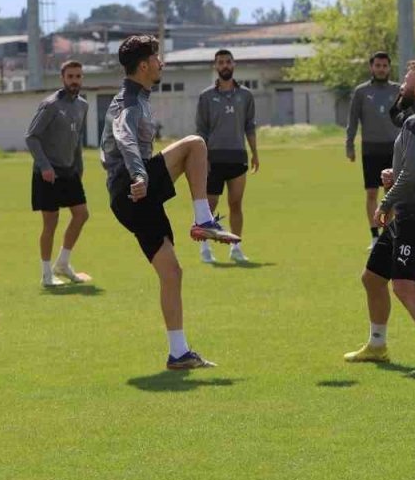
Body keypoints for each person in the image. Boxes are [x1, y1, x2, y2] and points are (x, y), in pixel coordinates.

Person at [100, 34, 240, 370]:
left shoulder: (138, 97)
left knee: (172, 273)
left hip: (131, 196)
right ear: (145, 65)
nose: (162, 63)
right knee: (196, 144)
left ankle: (178, 354)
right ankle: (203, 219)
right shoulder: (129, 101)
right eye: (158, 58)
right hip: (132, 188)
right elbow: (124, 137)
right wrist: (138, 174)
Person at [344, 60, 415, 376]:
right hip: (406, 214)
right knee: (372, 278)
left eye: (407, 79)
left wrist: (386, 202)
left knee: (404, 286)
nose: (402, 85)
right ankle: (377, 345)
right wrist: (395, 177)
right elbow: (413, 169)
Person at [25, 60, 92, 287]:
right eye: (71, 76)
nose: (75, 80)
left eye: (78, 76)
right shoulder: (51, 105)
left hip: (70, 171)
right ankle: (46, 274)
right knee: (50, 223)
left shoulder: (83, 105)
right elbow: (31, 137)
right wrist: (44, 166)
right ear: (62, 79)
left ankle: (62, 264)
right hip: (48, 173)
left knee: (81, 214)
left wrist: (79, 167)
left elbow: (77, 140)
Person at [194, 49, 258, 264]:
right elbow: (201, 130)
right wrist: (202, 158)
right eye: (220, 62)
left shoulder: (246, 95)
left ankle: (236, 248)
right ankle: (205, 248)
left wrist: (255, 153)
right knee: (209, 207)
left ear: (234, 64)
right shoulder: (206, 97)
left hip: (238, 157)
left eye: (228, 62)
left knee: (236, 205)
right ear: (215, 67)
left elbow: (250, 126)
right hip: (213, 159)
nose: (225, 66)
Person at [347, 52, 400, 247]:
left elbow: (407, 116)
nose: (381, 69)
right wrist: (349, 145)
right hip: (370, 150)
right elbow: (352, 120)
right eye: (377, 65)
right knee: (371, 194)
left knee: (391, 194)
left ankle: (388, 233)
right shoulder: (361, 92)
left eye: (385, 65)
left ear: (389, 67)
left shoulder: (398, 90)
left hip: (393, 149)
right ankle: (374, 235)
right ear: (372, 67)